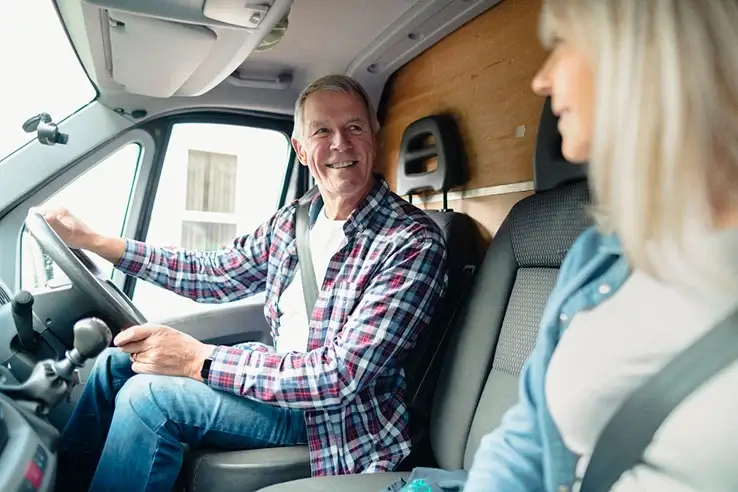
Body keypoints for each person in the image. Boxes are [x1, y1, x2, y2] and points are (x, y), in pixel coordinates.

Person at [47, 74, 448, 492]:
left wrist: (197, 360)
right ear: (301, 150)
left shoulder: (411, 242)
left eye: (354, 127)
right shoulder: (296, 220)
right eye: (322, 131)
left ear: (373, 136)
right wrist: (97, 243)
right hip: (280, 383)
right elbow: (214, 273)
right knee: (115, 364)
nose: (340, 145)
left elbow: (338, 375)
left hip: (333, 418)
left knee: (147, 399)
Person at [464, 1, 738, 491]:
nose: (541, 81)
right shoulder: (599, 257)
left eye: (561, 47)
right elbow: (524, 441)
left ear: (639, 53)